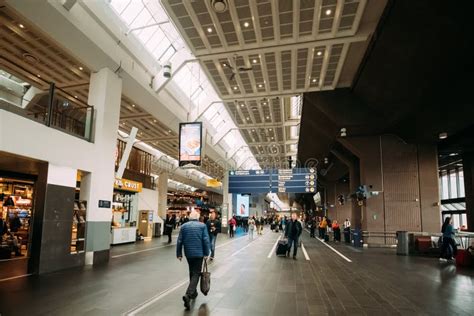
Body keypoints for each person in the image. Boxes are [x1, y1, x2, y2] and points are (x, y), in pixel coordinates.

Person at [176, 210, 211, 310]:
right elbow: (205, 240)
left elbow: (179, 241)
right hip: (199, 253)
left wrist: (179, 254)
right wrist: (206, 253)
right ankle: (188, 294)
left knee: (192, 271)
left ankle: (194, 292)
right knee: (196, 273)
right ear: (198, 217)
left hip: (188, 254)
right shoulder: (202, 226)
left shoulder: (184, 226)